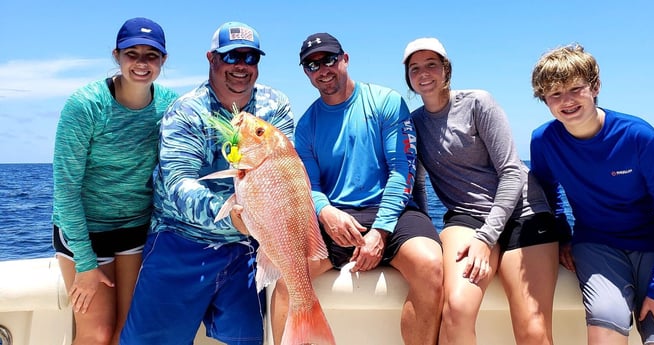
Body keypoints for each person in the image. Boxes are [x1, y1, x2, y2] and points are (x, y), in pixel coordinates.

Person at [119, 21, 293, 345]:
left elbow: (284, 176)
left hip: (244, 248)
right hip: (180, 240)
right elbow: (179, 182)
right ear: (211, 59)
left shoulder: (276, 106)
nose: (241, 66)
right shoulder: (187, 111)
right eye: (231, 57)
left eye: (250, 57)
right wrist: (229, 214)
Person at [269, 32, 444, 345]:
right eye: (312, 64)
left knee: (430, 265)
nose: (322, 68)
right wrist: (326, 213)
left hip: (392, 211)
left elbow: (402, 170)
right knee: (286, 281)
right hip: (337, 216)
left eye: (329, 59)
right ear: (306, 73)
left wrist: (381, 231)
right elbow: (311, 185)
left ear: (345, 59)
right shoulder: (306, 125)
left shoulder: (386, 102)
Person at [529, 43, 654, 345]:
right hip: (596, 245)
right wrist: (563, 235)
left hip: (653, 245)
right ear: (545, 100)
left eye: (575, 89)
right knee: (606, 330)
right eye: (555, 94)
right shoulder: (543, 141)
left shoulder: (639, 136)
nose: (566, 101)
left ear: (595, 87)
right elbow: (547, 194)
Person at [402, 37, 561, 345]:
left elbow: (512, 172)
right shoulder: (415, 123)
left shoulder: (478, 103)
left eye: (431, 64)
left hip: (523, 212)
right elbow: (417, 184)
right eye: (415, 68)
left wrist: (487, 239)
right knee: (457, 310)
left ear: (447, 69)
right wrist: (422, 228)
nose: (424, 73)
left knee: (533, 331)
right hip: (467, 216)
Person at [51, 17, 177, 345]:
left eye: (151, 55)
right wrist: (85, 263)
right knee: (97, 334)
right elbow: (65, 189)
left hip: (135, 226)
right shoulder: (86, 105)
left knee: (129, 333)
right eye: (131, 53)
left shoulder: (170, 105)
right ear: (116, 56)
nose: (141, 63)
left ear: (163, 60)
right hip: (84, 230)